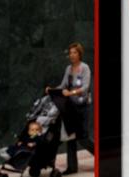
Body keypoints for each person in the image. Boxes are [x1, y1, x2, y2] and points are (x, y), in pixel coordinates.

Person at [46, 42, 93, 175]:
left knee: (83, 137)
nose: (72, 55)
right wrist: (52, 89)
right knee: (70, 137)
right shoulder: (68, 69)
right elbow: (63, 85)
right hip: (71, 107)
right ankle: (72, 167)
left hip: (82, 107)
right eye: (70, 53)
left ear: (79, 54)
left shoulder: (85, 68)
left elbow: (85, 87)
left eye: (75, 52)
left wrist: (71, 93)